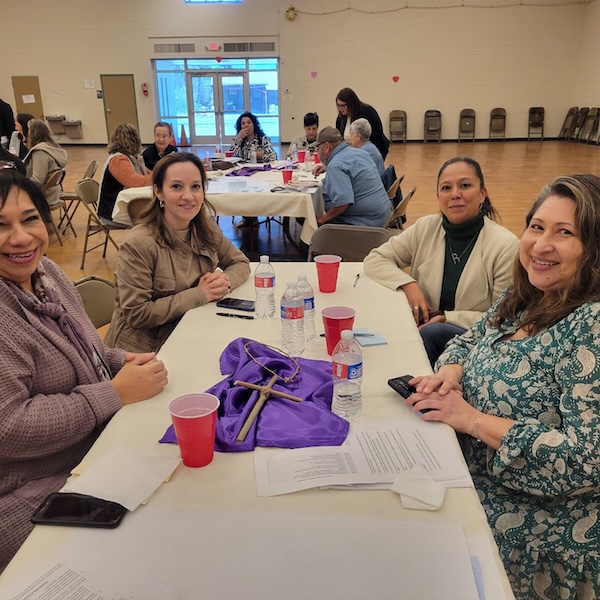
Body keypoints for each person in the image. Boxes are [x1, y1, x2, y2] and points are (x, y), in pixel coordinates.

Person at [407, 174, 600, 600]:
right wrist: (451, 372)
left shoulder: (591, 324)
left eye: (564, 232)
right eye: (536, 227)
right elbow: (470, 338)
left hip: (533, 528)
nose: (541, 245)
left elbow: (587, 461)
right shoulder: (529, 293)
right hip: (464, 474)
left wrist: (472, 420)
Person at [0, 170, 168, 573]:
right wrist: (114, 394)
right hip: (30, 491)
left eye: (30, 219)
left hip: (93, 450)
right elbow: (8, 426)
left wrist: (118, 363)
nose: (21, 237)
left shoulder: (47, 275)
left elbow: (85, 351)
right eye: (0, 225)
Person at [364, 156, 519, 366]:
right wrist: (409, 284)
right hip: (421, 333)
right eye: (446, 188)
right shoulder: (425, 228)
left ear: (482, 193)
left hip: (475, 343)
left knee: (430, 335)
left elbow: (503, 320)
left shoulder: (506, 247)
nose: (455, 194)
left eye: (465, 185)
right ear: (438, 196)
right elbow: (376, 258)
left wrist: (448, 318)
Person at [105, 152, 251, 353]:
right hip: (144, 350)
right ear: (158, 192)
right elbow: (137, 314)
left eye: (195, 187)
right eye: (176, 186)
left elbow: (240, 263)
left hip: (191, 330)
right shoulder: (139, 243)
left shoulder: (206, 228)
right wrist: (200, 294)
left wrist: (223, 282)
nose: (188, 196)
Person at [314, 126, 391, 228]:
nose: (317, 152)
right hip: (383, 215)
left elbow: (343, 202)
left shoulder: (336, 165)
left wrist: (324, 218)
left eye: (318, 148)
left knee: (316, 229)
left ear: (327, 147)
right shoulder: (360, 153)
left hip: (367, 223)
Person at [97, 122, 152, 227]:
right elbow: (133, 181)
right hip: (112, 213)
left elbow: (149, 173)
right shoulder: (118, 159)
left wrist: (162, 174)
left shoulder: (131, 158)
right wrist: (160, 178)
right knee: (156, 219)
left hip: (122, 208)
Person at [230, 112, 277, 228]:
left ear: (254, 124)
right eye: (243, 123)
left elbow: (274, 157)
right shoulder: (240, 141)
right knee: (240, 189)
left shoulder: (263, 139)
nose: (246, 126)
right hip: (244, 174)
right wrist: (238, 139)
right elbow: (231, 156)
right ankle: (247, 217)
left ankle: (254, 215)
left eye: (249, 122)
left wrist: (261, 155)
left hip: (261, 173)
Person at [335, 87, 389, 160]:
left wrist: (359, 143)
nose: (341, 109)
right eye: (339, 106)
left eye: (343, 106)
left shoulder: (367, 111)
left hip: (370, 150)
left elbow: (377, 131)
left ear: (351, 103)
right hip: (353, 152)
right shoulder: (341, 118)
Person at [23, 119, 68, 207]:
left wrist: (21, 185)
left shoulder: (40, 153)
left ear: (32, 134)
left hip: (44, 195)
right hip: (53, 192)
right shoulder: (51, 147)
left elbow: (37, 180)